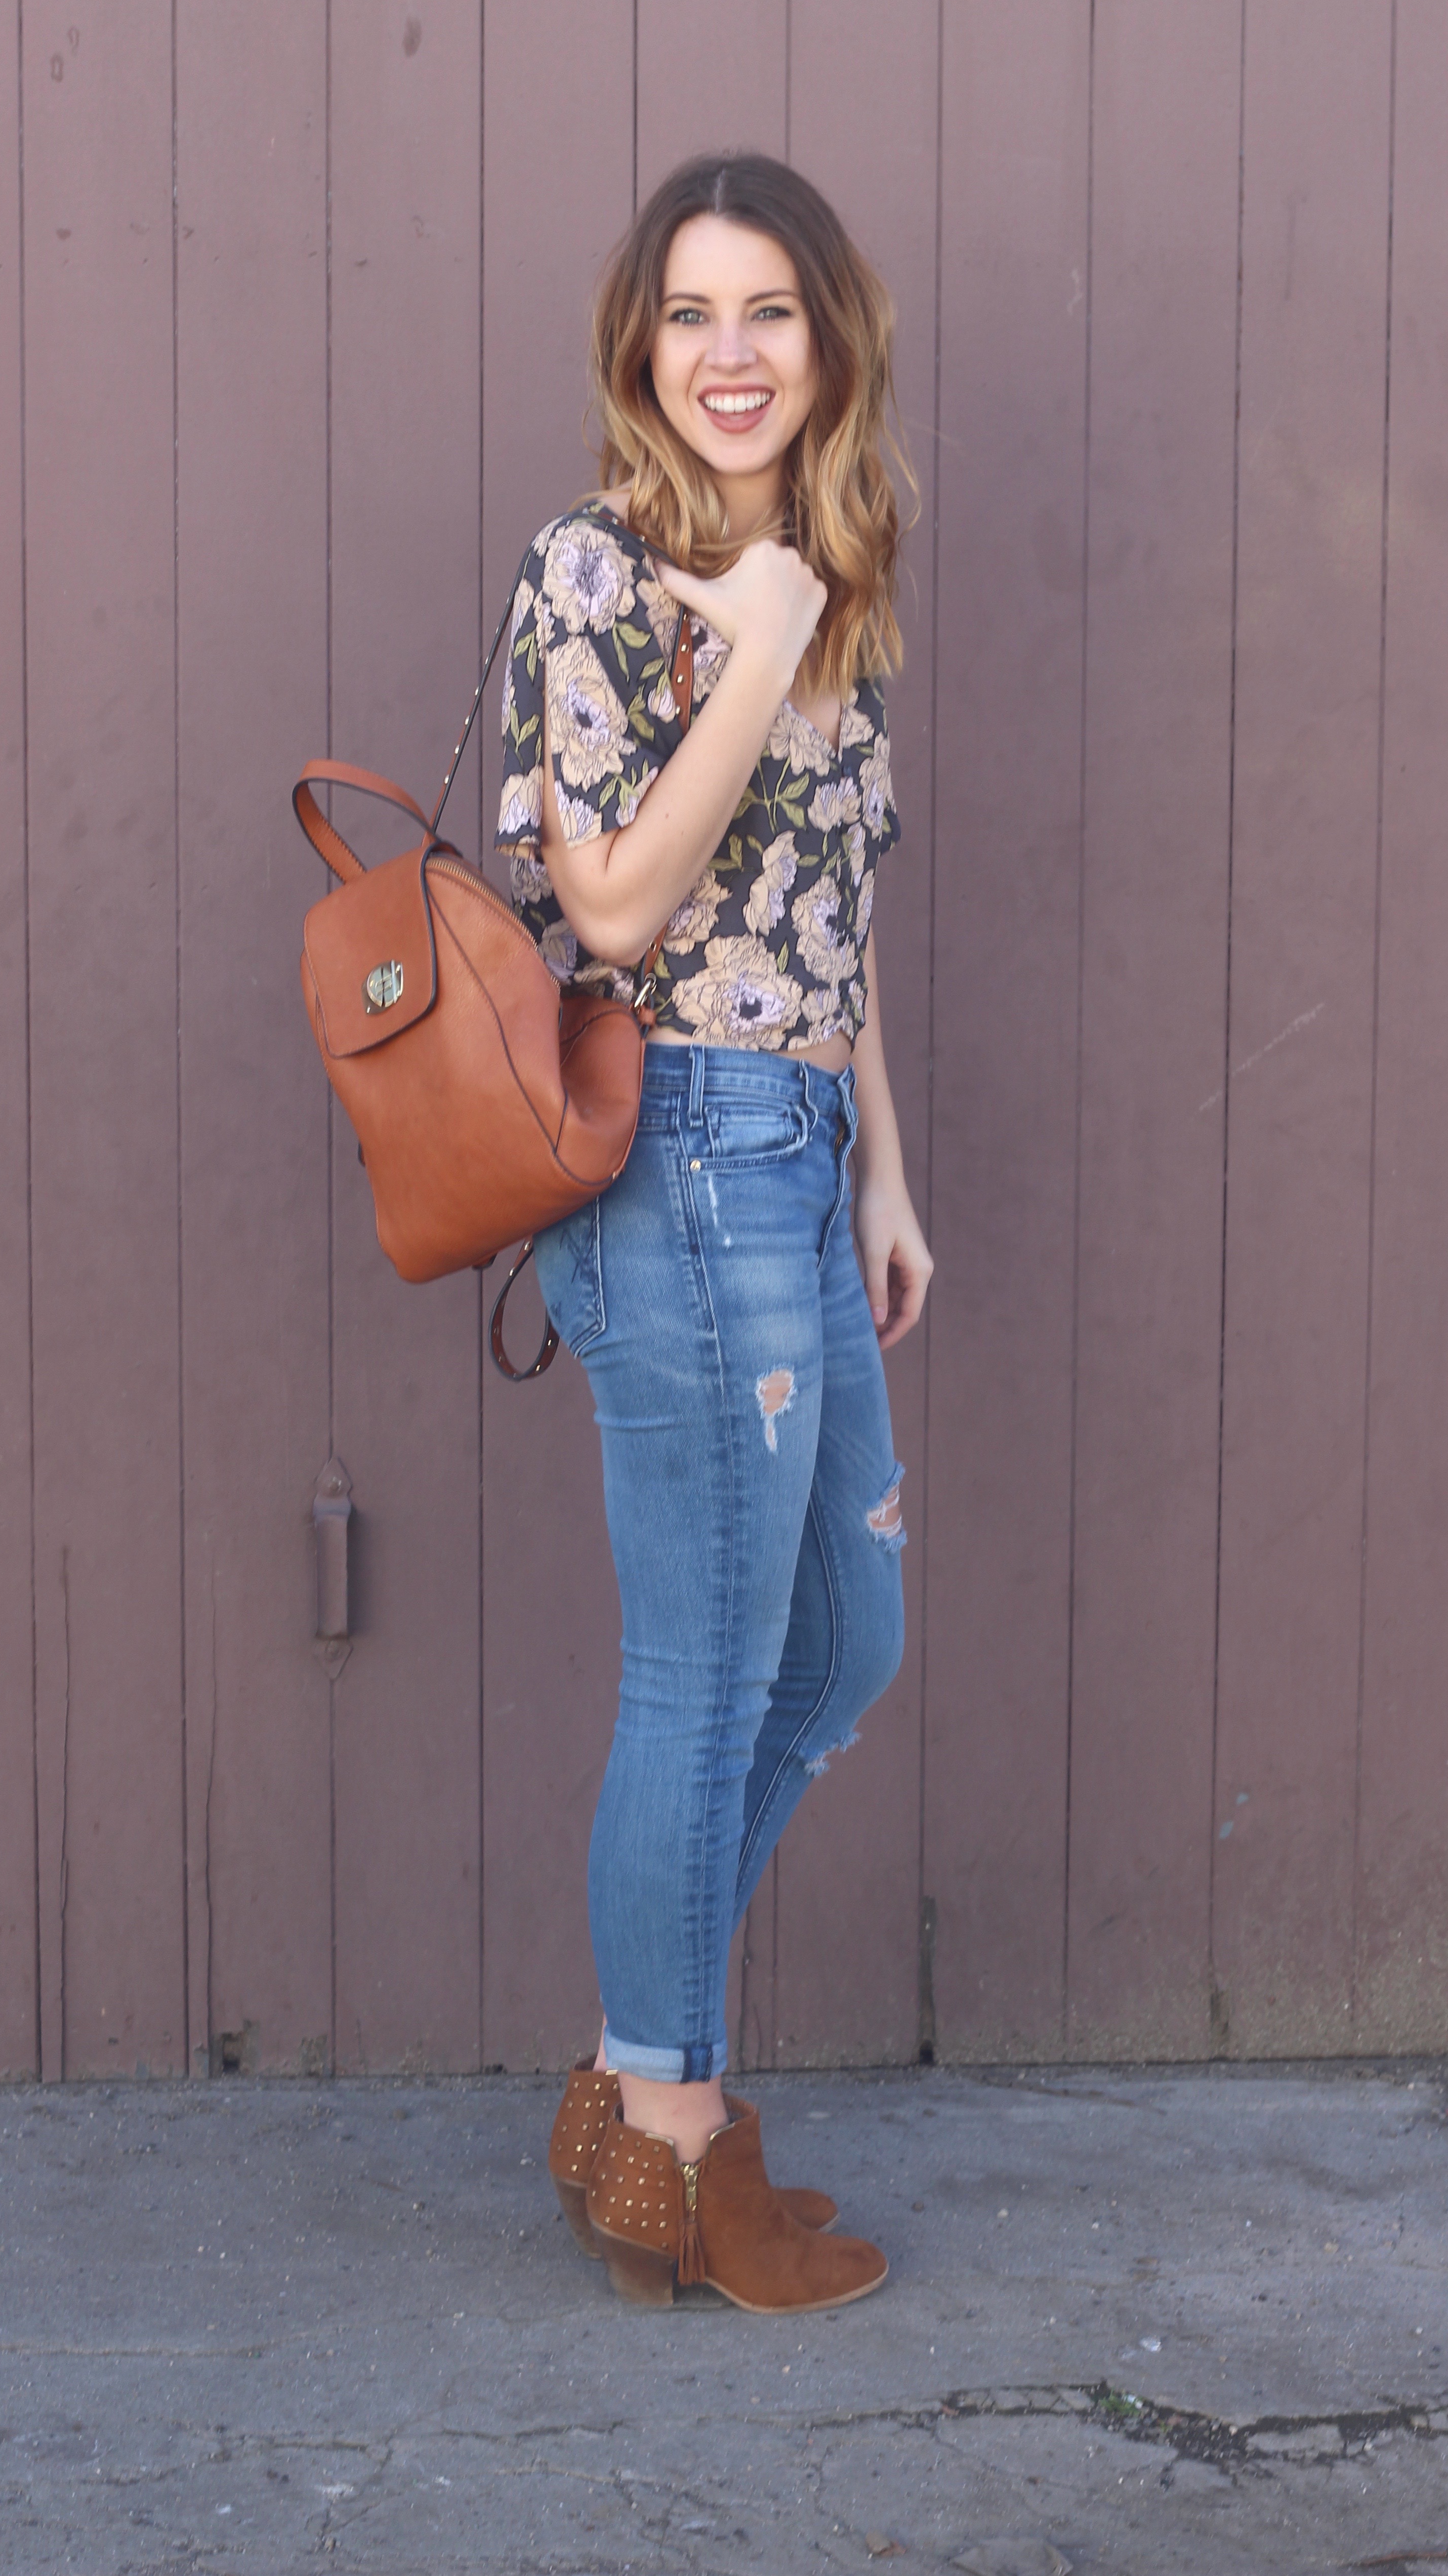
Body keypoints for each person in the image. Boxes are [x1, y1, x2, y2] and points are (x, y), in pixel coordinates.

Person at [495, 153, 933, 2313]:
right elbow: (614, 909)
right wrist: (749, 647)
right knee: (703, 1667)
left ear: (829, 344)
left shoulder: (827, 580)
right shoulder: (597, 570)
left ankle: (626, 2071)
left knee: (843, 1640)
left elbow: (829, 919)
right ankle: (668, 2137)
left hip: (795, 1146)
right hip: (671, 1153)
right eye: (691, 312)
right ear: (640, 345)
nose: (731, 353)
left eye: (770, 310)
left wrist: (884, 1167)